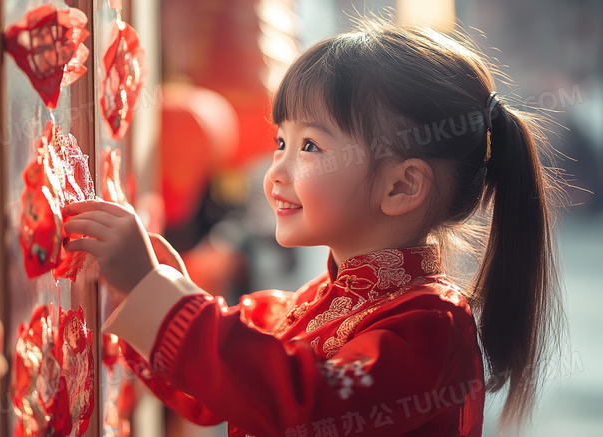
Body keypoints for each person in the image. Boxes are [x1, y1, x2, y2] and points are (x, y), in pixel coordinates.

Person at [63, 18, 565, 437]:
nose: (276, 170)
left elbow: (307, 406)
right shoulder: (313, 304)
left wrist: (161, 297)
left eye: (310, 147)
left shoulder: (430, 327)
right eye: (281, 141)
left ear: (401, 187)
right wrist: (150, 288)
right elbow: (216, 390)